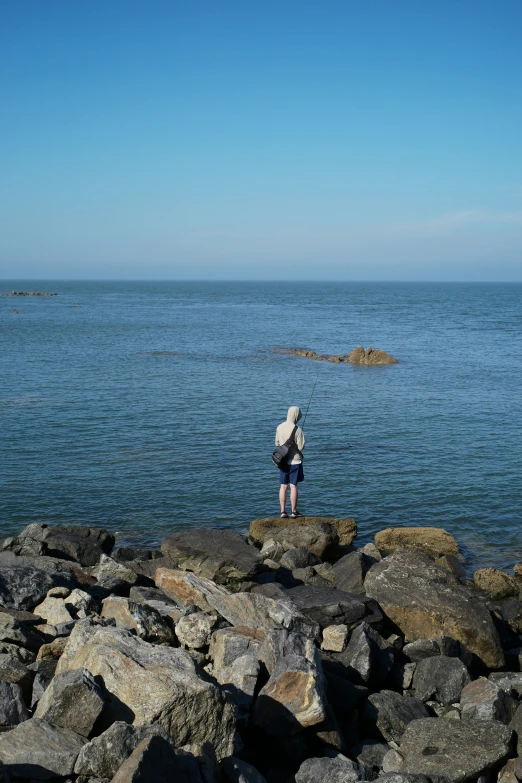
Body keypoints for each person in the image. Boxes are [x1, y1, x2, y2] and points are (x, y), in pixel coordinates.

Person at [275, 405, 305, 518]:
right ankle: (293, 511)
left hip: (282, 461)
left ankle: (283, 512)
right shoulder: (298, 430)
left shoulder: (279, 427)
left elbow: (277, 443)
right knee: (293, 486)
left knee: (283, 486)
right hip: (295, 462)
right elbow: (301, 447)